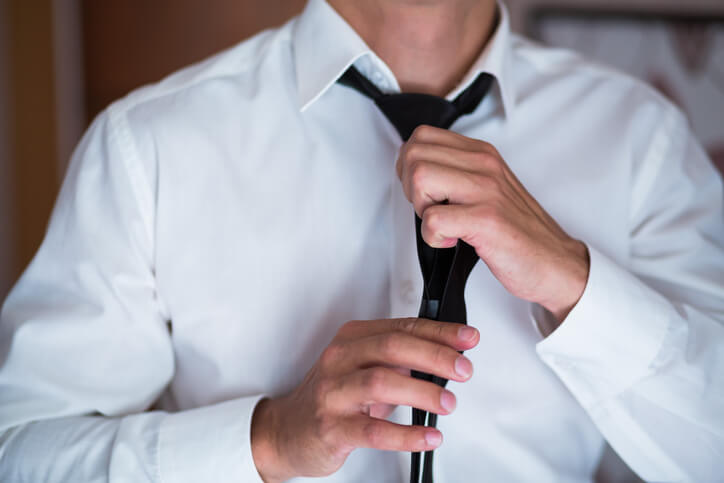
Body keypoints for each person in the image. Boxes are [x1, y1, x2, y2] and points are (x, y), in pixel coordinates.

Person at [1, 0, 723, 481]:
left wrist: (575, 281)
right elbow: (18, 451)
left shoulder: (641, 140)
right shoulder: (150, 146)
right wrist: (263, 441)